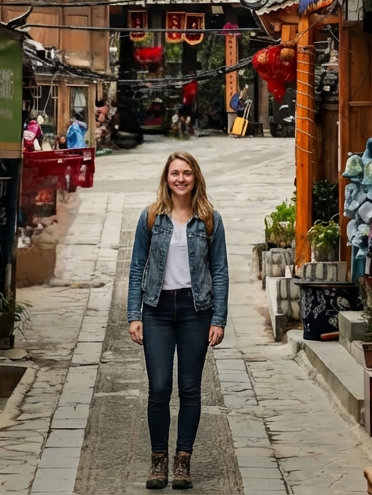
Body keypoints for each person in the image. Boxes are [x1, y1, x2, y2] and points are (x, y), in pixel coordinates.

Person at [127, 151, 229, 490]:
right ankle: (158, 460)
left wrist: (219, 318)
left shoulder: (210, 219)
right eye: (175, 173)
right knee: (158, 388)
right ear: (166, 178)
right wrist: (133, 315)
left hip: (195, 310)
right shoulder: (151, 218)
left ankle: (183, 460)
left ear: (195, 177)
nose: (181, 179)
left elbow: (220, 271)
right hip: (156, 310)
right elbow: (137, 266)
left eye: (186, 173)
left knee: (189, 389)